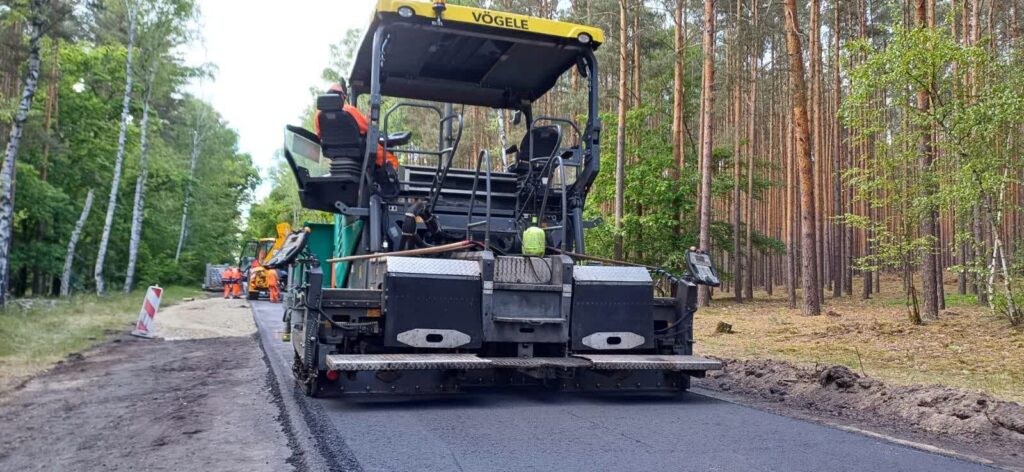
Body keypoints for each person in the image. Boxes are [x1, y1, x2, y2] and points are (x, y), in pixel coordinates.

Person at [315, 82, 399, 169]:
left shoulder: (318, 115)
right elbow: (367, 128)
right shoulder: (348, 110)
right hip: (356, 150)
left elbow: (319, 135)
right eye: (344, 97)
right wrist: (370, 117)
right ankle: (393, 173)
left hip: (333, 154)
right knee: (391, 160)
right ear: (340, 96)